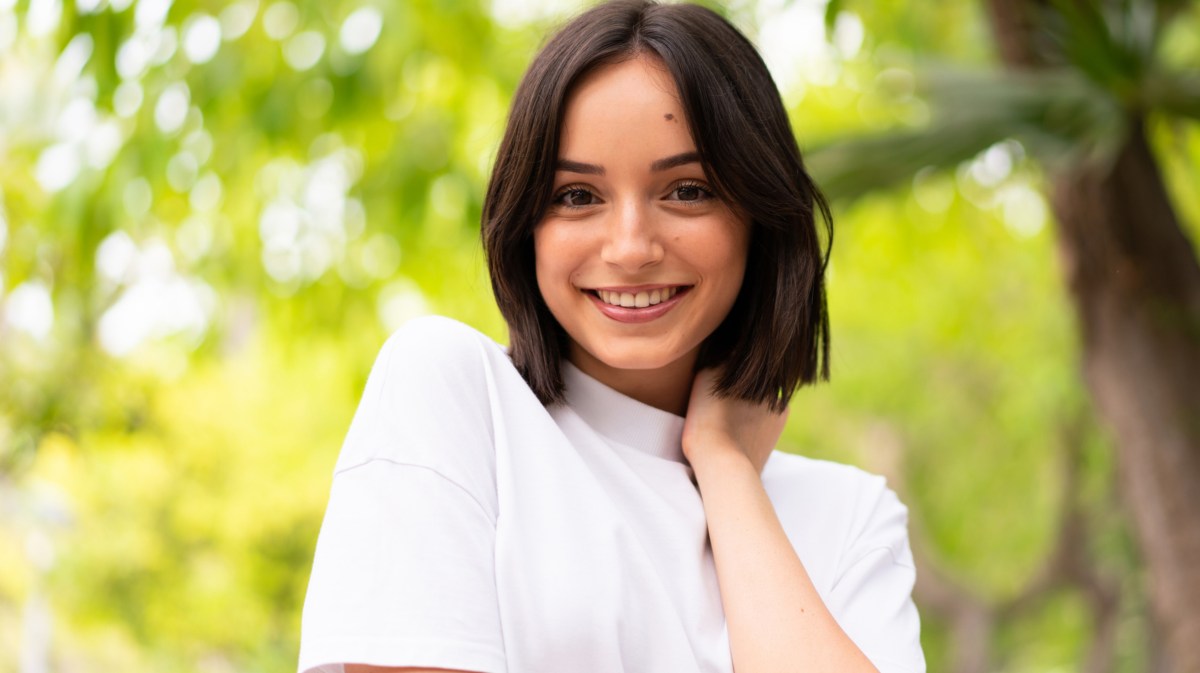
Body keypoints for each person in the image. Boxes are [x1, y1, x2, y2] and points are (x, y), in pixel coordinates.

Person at [298, 1, 924, 672]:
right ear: (525, 224)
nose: (630, 248)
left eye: (686, 190)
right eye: (576, 196)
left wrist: (723, 464)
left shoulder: (852, 517)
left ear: (758, 216)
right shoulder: (453, 396)